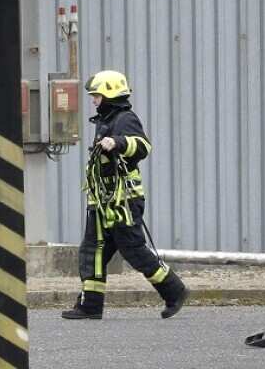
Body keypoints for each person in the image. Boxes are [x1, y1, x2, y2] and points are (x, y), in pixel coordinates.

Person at [62, 69, 189, 320]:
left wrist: (118, 142)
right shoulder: (106, 120)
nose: (93, 100)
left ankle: (174, 291)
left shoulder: (124, 119)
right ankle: (90, 305)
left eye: (96, 95)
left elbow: (142, 146)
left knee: (134, 250)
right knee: (93, 250)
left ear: (109, 95)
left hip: (123, 202)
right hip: (103, 200)